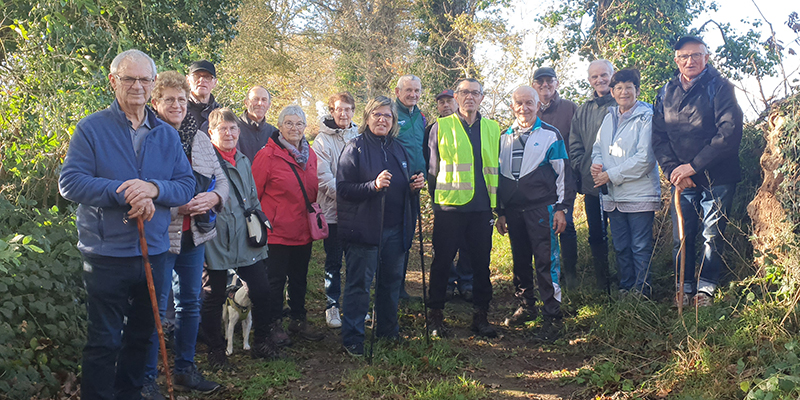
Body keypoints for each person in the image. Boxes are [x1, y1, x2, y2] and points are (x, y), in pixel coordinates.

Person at [58, 49, 195, 400]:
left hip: (155, 253)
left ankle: (131, 394)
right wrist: (125, 191)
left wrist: (153, 188)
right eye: (129, 78)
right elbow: (70, 182)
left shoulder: (166, 134)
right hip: (105, 253)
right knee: (104, 340)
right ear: (113, 81)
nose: (137, 86)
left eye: (144, 79)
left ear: (153, 85)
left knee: (143, 335)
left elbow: (185, 185)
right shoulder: (92, 128)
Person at [142, 71, 228, 399]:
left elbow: (221, 179)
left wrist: (214, 197)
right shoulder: (149, 137)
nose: (177, 105)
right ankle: (148, 378)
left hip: (196, 235)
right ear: (156, 102)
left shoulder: (200, 137)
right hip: (163, 235)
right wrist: (177, 205)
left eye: (181, 99)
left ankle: (185, 369)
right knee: (155, 307)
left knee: (191, 302)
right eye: (169, 100)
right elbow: (147, 187)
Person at [652, 36, 744, 307]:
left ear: (706, 57)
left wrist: (693, 166)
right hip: (682, 180)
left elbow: (728, 133)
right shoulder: (665, 92)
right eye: (684, 56)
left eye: (696, 55)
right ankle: (683, 286)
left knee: (711, 234)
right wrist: (675, 171)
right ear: (676, 60)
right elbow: (658, 137)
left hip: (718, 176)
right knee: (683, 234)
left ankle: (705, 289)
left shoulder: (721, 87)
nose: (689, 61)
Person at [337, 96, 425, 356]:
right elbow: (342, 189)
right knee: (359, 285)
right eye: (377, 114)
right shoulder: (355, 148)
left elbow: (402, 185)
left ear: (393, 121)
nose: (382, 120)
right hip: (365, 230)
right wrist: (372, 186)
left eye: (387, 116)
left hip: (396, 229)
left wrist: (413, 187)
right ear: (367, 118)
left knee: (390, 282)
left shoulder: (399, 148)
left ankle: (388, 329)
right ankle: (353, 336)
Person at [200, 108, 281, 368]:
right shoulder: (202, 162)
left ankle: (261, 342)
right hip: (215, 239)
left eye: (233, 128)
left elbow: (253, 197)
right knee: (213, 296)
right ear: (211, 133)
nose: (229, 133)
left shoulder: (244, 160)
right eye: (222, 129)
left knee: (262, 290)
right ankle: (215, 351)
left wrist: (258, 222)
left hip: (246, 237)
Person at [495, 86, 574, 341]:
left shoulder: (551, 135)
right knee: (520, 261)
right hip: (514, 210)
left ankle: (552, 314)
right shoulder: (503, 137)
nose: (524, 108)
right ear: (512, 106)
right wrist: (502, 212)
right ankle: (526, 305)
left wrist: (562, 208)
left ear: (538, 104)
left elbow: (563, 174)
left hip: (542, 207)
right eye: (519, 103)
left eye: (529, 102)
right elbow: (500, 178)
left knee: (545, 261)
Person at [427, 78, 501, 338]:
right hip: (449, 209)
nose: (470, 97)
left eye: (475, 93)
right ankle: (435, 316)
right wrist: (437, 203)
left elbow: (496, 169)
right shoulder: (441, 126)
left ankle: (481, 317)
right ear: (456, 97)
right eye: (464, 92)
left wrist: (498, 207)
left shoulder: (493, 128)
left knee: (481, 264)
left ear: (482, 98)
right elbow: (432, 171)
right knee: (442, 263)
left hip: (482, 208)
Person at [252, 105, 325, 345]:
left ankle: (298, 319)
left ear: (305, 127)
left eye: (299, 124)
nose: (295, 128)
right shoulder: (267, 155)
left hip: (303, 229)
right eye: (289, 123)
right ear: (280, 126)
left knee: (299, 278)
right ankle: (272, 323)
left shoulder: (310, 154)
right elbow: (254, 193)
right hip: (277, 232)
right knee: (275, 280)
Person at [590, 69, 659, 298]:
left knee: (640, 246)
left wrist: (610, 175)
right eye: (618, 88)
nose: (624, 92)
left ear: (637, 90)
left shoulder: (647, 116)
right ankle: (626, 288)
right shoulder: (609, 117)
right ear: (612, 91)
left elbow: (645, 159)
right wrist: (597, 166)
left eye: (629, 87)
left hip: (639, 195)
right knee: (620, 246)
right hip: (613, 196)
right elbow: (598, 148)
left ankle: (642, 291)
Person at [312, 92, 360, 328]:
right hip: (332, 212)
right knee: (334, 262)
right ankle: (332, 306)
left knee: (355, 261)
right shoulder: (321, 141)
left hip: (358, 213)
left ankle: (354, 305)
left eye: (349, 109)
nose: (344, 113)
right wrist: (349, 196)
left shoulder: (360, 135)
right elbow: (322, 178)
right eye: (339, 109)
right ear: (332, 111)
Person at [569, 60, 617, 293]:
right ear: (589, 80)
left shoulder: (623, 102)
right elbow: (575, 143)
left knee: (621, 236)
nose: (600, 80)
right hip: (592, 185)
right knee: (596, 236)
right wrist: (581, 166)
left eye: (604, 75)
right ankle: (602, 283)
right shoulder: (584, 109)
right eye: (594, 77)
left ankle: (625, 281)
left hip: (622, 184)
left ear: (612, 75)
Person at [424, 89, 473, 302]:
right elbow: (430, 163)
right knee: (444, 246)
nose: (445, 105)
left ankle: (466, 282)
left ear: (457, 102)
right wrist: (434, 193)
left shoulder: (471, 128)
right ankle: (447, 283)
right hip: (444, 198)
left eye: (449, 101)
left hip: (472, 197)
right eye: (441, 102)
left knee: (467, 243)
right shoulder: (433, 129)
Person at [532, 67, 579, 289]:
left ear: (557, 83)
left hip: (565, 177)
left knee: (566, 225)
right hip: (539, 182)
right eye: (539, 82)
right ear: (534, 86)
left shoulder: (570, 108)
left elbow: (580, 142)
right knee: (542, 228)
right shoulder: (531, 110)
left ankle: (570, 274)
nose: (544, 85)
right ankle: (548, 273)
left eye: (549, 81)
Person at [394, 75, 426, 301]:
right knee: (393, 238)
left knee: (407, 236)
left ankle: (400, 286)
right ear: (398, 92)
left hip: (416, 185)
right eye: (408, 90)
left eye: (416, 90)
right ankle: (390, 287)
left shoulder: (421, 116)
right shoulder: (391, 114)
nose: (412, 95)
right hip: (395, 186)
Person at [237, 86, 279, 162]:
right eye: (255, 99)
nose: (260, 103)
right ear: (246, 103)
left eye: (264, 100)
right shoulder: (233, 129)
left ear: (269, 105)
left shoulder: (275, 134)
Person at [186, 60, 221, 133]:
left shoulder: (220, 112)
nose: (201, 80)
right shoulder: (179, 108)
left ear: (215, 82)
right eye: (196, 76)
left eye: (207, 77)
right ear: (188, 80)